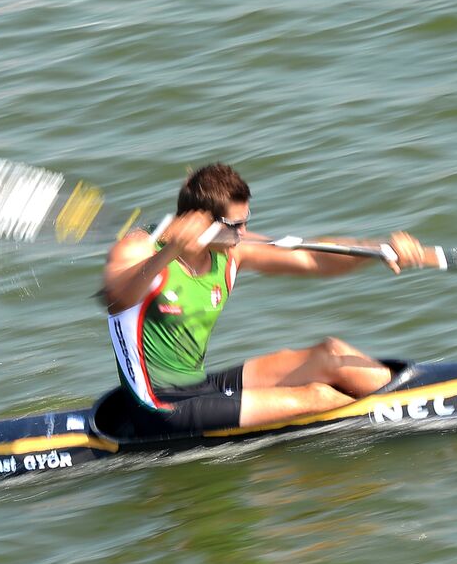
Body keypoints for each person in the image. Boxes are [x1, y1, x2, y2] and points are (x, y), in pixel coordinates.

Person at [102, 163, 430, 432]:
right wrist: (170, 252)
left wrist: (377, 251)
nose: (243, 234)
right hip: (159, 407)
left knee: (332, 355)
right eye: (236, 225)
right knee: (317, 397)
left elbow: (313, 259)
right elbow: (116, 296)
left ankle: (421, 398)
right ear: (202, 223)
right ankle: (401, 422)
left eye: (246, 222)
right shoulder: (139, 249)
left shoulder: (230, 250)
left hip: (200, 387)